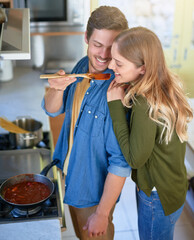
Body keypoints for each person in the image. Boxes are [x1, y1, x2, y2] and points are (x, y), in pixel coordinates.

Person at [41, 6, 130, 240]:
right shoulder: (82, 65)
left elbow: (120, 163)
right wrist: (56, 89)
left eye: (112, 48)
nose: (103, 55)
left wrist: (102, 213)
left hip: (93, 193)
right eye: (97, 45)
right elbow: (52, 109)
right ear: (86, 39)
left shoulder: (118, 91)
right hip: (69, 176)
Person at [107, 26, 193, 239]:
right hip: (173, 188)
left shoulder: (144, 103)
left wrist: (115, 105)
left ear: (143, 68)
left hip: (157, 198)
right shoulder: (166, 85)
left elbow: (135, 159)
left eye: (118, 63)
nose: (111, 66)